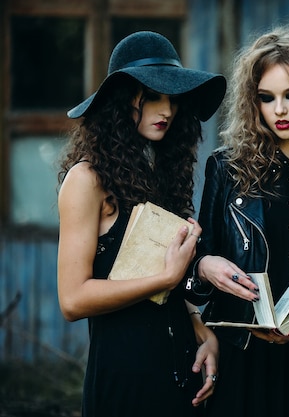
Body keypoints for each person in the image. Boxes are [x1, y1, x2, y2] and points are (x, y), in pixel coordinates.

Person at [57, 31, 226, 417]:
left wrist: (201, 328)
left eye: (173, 98)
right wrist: (165, 280)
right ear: (121, 102)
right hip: (124, 377)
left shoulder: (160, 175)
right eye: (152, 96)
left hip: (180, 372)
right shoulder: (86, 180)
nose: (166, 109)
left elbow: (169, 283)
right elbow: (72, 299)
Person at [189, 21, 289, 417]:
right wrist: (204, 265)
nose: (279, 110)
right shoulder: (226, 168)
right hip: (244, 356)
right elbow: (196, 270)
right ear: (252, 101)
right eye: (267, 97)